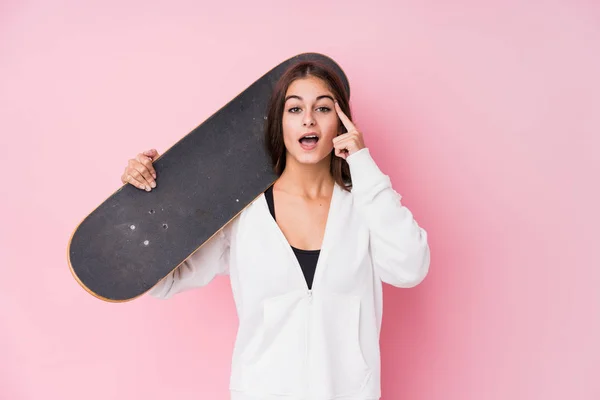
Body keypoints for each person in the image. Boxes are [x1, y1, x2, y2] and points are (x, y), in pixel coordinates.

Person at [120, 61, 430, 400]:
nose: (309, 119)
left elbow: (409, 268)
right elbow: (163, 281)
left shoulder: (365, 207)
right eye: (295, 108)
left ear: (342, 124)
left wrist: (363, 164)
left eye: (323, 108)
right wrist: (148, 200)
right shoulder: (243, 214)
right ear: (279, 124)